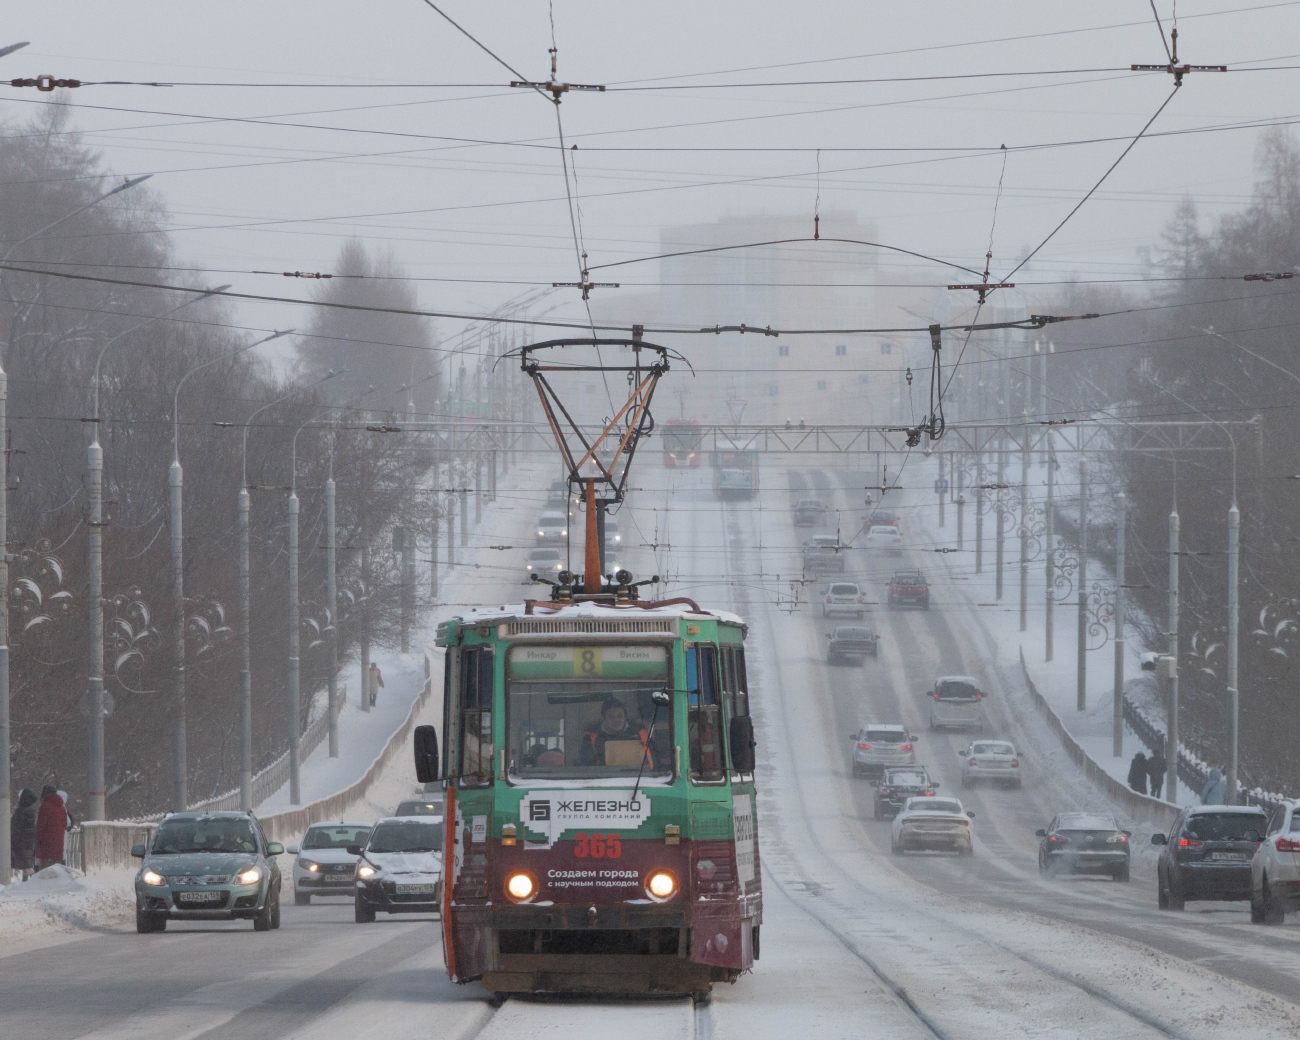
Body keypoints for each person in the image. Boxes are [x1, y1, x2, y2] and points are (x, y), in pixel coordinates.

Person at [578, 697, 650, 768]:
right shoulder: (591, 738)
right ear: (603, 718)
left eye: (619, 716)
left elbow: (652, 762)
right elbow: (586, 767)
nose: (616, 720)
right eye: (611, 717)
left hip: (638, 775)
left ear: (625, 716)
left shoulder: (641, 733)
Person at [34, 784, 68, 871]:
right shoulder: (62, 807)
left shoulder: (45, 806)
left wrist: (38, 838)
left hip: (46, 840)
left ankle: (44, 880)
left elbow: (41, 824)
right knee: (57, 867)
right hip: (59, 840)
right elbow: (65, 824)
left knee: (44, 868)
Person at [10, 788, 38, 881]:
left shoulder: (21, 811)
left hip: (20, 842)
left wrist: (14, 839)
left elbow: (16, 827)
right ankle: (27, 882)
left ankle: (31, 881)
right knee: (26, 864)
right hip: (29, 842)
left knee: (26, 865)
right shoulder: (31, 810)